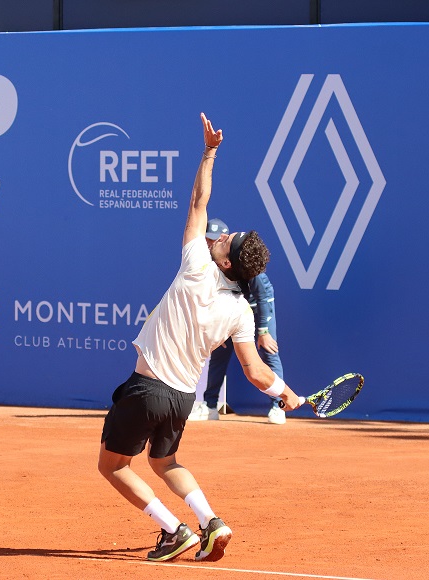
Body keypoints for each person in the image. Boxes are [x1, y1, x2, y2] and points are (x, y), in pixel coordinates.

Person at [97, 113, 302, 564]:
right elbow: (254, 370)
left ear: (227, 262)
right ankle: (212, 522)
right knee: (164, 463)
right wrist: (285, 392)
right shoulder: (240, 311)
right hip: (180, 399)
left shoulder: (197, 266)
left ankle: (173, 531)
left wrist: (210, 152)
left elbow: (197, 201)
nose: (222, 235)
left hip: (148, 389)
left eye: (229, 240)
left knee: (111, 466)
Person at [189, 218, 286, 424]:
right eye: (206, 239)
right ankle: (210, 406)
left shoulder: (240, 259)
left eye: (213, 239)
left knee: (269, 352)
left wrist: (263, 331)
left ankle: (278, 405)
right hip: (229, 311)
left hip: (258, 308)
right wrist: (218, 328)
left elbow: (263, 296)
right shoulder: (207, 262)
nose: (209, 243)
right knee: (218, 355)